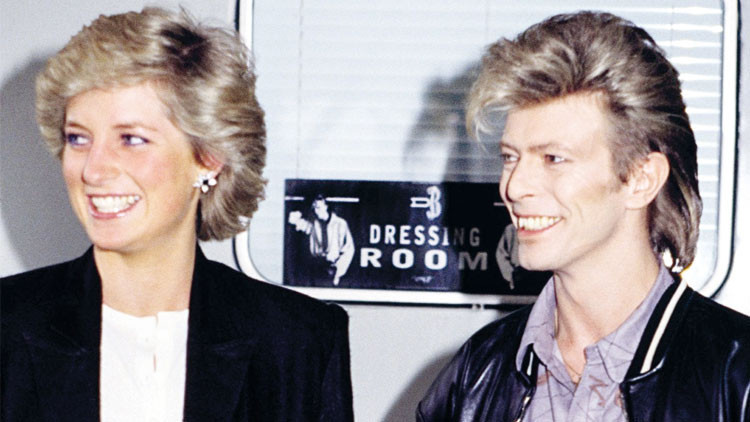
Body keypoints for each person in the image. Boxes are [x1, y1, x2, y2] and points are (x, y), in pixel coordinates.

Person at [1, 8, 353, 421]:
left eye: (131, 139)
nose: (92, 170)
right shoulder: (8, 326)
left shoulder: (299, 342)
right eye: (78, 138)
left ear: (208, 157)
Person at [417, 11, 750, 422]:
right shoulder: (476, 372)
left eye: (553, 158)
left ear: (641, 179)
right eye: (510, 157)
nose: (514, 187)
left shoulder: (737, 378)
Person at [288, 195, 355, 286]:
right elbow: (292, 219)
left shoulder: (340, 224)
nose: (316, 211)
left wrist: (338, 272)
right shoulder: (312, 224)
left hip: (332, 270)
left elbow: (349, 249)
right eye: (314, 208)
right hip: (316, 268)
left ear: (326, 206)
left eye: (318, 207)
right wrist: (304, 210)